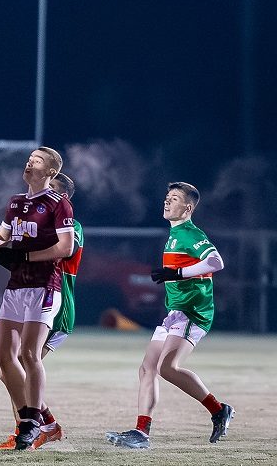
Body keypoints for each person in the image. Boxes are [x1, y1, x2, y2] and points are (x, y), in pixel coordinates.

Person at [0, 147, 75, 450]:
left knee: (29, 354)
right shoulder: (16, 202)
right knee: (3, 357)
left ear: (50, 171)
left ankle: (32, 423)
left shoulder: (58, 204)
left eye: (36, 161)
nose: (29, 163)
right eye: (29, 159)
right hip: (16, 287)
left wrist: (25, 254)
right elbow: (2, 235)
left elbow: (65, 248)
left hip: (44, 287)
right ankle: (28, 417)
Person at [105, 182, 232, 450]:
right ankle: (141, 433)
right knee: (147, 368)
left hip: (193, 311)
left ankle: (219, 410)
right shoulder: (174, 234)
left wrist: (177, 274)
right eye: (166, 197)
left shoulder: (188, 233)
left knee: (166, 368)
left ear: (187, 208)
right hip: (175, 313)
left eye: (173, 199)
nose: (167, 202)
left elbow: (216, 262)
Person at [0, 172, 80, 449]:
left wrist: (18, 253)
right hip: (27, 292)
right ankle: (40, 425)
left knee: (22, 363)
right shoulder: (29, 215)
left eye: (50, 189)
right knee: (8, 369)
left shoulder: (68, 226)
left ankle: (33, 427)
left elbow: (59, 254)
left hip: (54, 302)